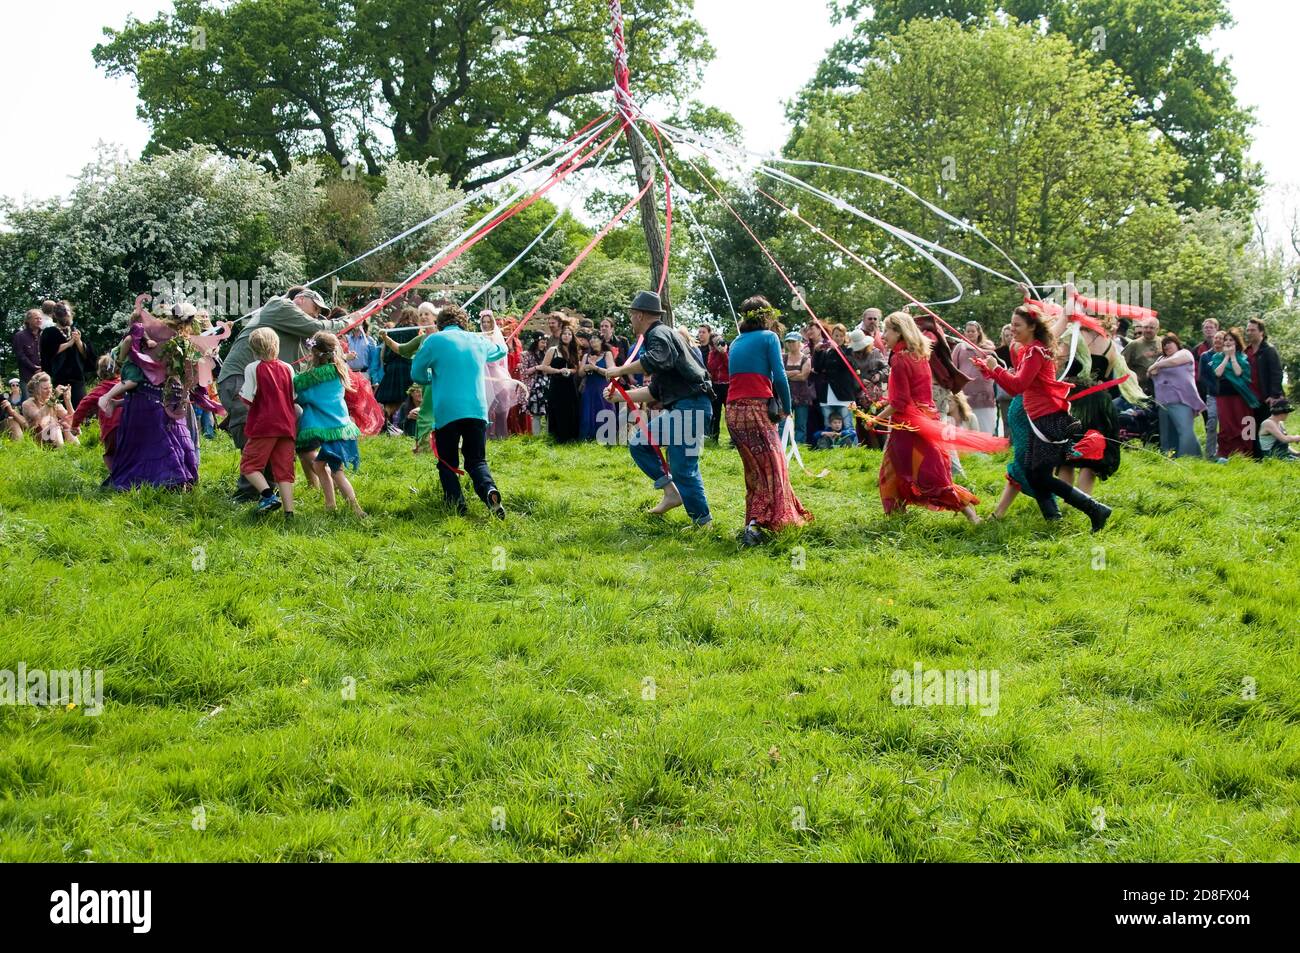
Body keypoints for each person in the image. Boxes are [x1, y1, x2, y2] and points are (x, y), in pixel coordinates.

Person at [972, 304, 1113, 532]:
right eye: (1012, 324)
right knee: (1032, 473)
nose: (1012, 329)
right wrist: (991, 370)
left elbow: (1018, 385)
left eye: (1017, 325)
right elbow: (1018, 384)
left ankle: (1095, 509)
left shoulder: (1036, 351)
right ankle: (1054, 519)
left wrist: (996, 369)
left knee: (1040, 475)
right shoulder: (1031, 350)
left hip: (1049, 423)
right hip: (1040, 420)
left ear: (1032, 327)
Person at [217, 287, 352, 499]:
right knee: (255, 431)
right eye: (316, 308)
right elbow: (315, 327)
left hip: (261, 385)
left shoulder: (296, 333)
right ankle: (250, 493)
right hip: (240, 377)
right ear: (299, 299)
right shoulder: (281, 305)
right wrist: (351, 319)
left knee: (282, 426)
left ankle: (269, 492)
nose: (317, 314)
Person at [599, 290, 714, 527]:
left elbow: (657, 359)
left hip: (689, 408)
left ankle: (678, 499)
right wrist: (620, 397)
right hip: (691, 406)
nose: (631, 320)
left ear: (640, 315)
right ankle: (702, 522)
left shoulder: (658, 334)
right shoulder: (666, 335)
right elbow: (655, 392)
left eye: (632, 315)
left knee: (642, 444)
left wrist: (620, 370)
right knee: (683, 468)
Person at [876, 312, 991, 524]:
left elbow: (900, 402)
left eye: (886, 331)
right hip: (927, 418)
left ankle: (970, 516)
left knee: (904, 472)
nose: (883, 336)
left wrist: (876, 419)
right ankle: (898, 519)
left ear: (899, 332)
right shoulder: (920, 356)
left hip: (908, 425)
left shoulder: (900, 360)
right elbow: (912, 394)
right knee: (922, 471)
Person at [724, 297, 810, 545]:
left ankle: (756, 520)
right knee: (774, 467)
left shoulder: (736, 341)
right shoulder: (769, 337)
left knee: (754, 471)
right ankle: (765, 523)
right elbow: (780, 376)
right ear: (767, 316)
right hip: (755, 410)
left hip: (733, 412)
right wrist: (788, 406)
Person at [410, 305, 508, 518]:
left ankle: (457, 506)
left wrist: (432, 378)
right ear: (464, 323)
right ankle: (489, 490)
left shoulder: (434, 340)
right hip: (477, 410)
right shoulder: (478, 340)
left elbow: (416, 372)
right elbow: (501, 350)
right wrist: (496, 333)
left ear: (439, 323)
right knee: (477, 461)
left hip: (447, 411)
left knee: (447, 461)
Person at [1054, 305, 1146, 494]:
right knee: (1091, 454)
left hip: (1075, 400)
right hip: (1099, 403)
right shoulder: (1110, 344)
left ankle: (1066, 501)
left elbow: (1058, 361)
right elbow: (1108, 373)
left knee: (1066, 456)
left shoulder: (1073, 336)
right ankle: (1084, 500)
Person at [294, 332, 366, 517]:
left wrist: (299, 396)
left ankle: (356, 509)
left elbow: (307, 397)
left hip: (332, 431)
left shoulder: (315, 378)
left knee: (337, 472)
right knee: (319, 466)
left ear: (315, 353)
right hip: (341, 428)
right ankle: (330, 505)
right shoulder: (337, 372)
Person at [237, 327, 298, 516]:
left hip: (263, 426)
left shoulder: (253, 368)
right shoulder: (288, 368)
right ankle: (289, 513)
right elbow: (293, 396)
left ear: (253, 349)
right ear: (276, 345)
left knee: (249, 465)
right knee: (284, 470)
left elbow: (247, 399)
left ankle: (268, 496)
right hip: (287, 425)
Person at [1148, 332, 1205, 458]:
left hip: (1181, 400)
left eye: (1169, 343)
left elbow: (1174, 362)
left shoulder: (1184, 353)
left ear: (1176, 343)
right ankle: (1169, 457)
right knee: (1167, 433)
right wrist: (1156, 365)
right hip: (1163, 401)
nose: (1166, 346)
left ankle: (1188, 457)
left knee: (1184, 430)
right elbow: (1150, 373)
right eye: (1164, 345)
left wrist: (1156, 365)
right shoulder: (1161, 358)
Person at [1210, 328, 1258, 460]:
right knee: (1226, 425)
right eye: (1226, 340)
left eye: (1231, 340)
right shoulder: (1217, 357)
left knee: (1242, 424)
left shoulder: (1242, 357)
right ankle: (1225, 453)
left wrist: (1232, 357)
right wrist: (1226, 357)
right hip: (1224, 396)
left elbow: (1238, 373)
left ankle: (1244, 453)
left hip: (1240, 396)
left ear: (1237, 342)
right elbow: (1218, 373)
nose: (1228, 342)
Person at [72, 355, 124, 471]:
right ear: (118, 369)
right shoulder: (126, 384)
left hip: (112, 428)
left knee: (112, 455)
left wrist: (75, 425)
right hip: (130, 424)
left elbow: (82, 406)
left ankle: (117, 479)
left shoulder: (100, 390)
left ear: (99, 372)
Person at [40, 302, 94, 408]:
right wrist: (69, 343)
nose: (67, 317)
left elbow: (86, 354)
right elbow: (49, 352)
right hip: (60, 377)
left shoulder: (77, 330)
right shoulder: (49, 332)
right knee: (61, 409)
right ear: (57, 316)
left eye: (68, 314)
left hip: (77, 376)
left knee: (80, 407)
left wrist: (78, 341)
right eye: (65, 315)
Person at [375, 306, 422, 423]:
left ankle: (387, 424)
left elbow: (384, 355)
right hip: (407, 367)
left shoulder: (393, 330)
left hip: (392, 367)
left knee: (390, 400)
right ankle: (403, 424)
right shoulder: (415, 330)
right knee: (406, 398)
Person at [1244, 317, 1284, 457]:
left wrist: (1274, 395)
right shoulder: (1246, 351)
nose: (1249, 333)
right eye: (1248, 330)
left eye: (1253, 330)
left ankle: (1275, 455)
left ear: (1261, 332)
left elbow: (1276, 373)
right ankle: (1254, 456)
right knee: (1250, 428)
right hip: (1249, 397)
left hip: (1266, 398)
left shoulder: (1269, 350)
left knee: (1268, 428)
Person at [952, 322, 998, 434]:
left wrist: (986, 352)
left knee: (984, 428)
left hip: (983, 395)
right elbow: (953, 367)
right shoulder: (959, 347)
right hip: (965, 393)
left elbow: (995, 365)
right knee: (968, 428)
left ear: (978, 333)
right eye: (968, 331)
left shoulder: (986, 349)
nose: (970, 334)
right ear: (964, 333)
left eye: (973, 331)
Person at [540, 326, 581, 443]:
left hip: (570, 385)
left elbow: (576, 369)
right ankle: (556, 437)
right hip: (556, 384)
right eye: (564, 334)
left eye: (569, 334)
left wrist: (570, 371)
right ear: (561, 336)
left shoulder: (574, 351)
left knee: (571, 409)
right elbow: (544, 367)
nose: (566, 336)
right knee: (557, 410)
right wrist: (558, 371)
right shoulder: (553, 350)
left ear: (572, 337)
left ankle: (571, 438)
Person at [479, 310, 514, 439]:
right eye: (484, 322)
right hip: (483, 374)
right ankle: (487, 434)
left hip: (495, 373)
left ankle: (501, 433)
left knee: (501, 404)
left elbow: (501, 355)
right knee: (486, 404)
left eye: (489, 321)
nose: (486, 324)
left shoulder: (496, 336)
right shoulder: (479, 337)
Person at [20, 372, 76, 448]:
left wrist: (68, 400)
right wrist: (53, 399)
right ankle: (62, 453)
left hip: (55, 436)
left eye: (50, 387)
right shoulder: (27, 404)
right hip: (38, 440)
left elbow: (71, 419)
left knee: (66, 426)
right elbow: (38, 417)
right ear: (36, 390)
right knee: (54, 426)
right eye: (45, 388)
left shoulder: (53, 402)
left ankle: (75, 452)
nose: (49, 391)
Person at [578, 332, 616, 443]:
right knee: (588, 411)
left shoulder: (607, 354)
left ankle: (607, 437)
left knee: (605, 409)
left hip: (603, 387)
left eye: (595, 338)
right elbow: (580, 374)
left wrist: (595, 368)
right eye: (591, 339)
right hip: (589, 388)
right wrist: (586, 368)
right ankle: (588, 437)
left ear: (601, 341)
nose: (593, 341)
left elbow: (611, 372)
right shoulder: (586, 355)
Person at [783, 331, 815, 447]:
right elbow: (779, 374)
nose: (791, 344)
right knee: (783, 421)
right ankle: (783, 444)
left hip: (802, 395)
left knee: (800, 424)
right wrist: (794, 371)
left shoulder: (806, 359)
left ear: (799, 342)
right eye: (788, 342)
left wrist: (787, 374)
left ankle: (799, 445)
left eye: (793, 341)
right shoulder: (783, 357)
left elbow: (803, 377)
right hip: (786, 394)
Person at [1197, 330, 1224, 460]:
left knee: (1226, 424)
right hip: (1212, 395)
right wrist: (1213, 387)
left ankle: (1225, 450)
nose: (1218, 340)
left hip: (1227, 396)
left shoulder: (1228, 355)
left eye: (1221, 338)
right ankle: (1209, 453)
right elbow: (1202, 376)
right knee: (1212, 422)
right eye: (1216, 338)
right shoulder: (1205, 356)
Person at [1121, 317, 1161, 400]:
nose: (1148, 330)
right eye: (1146, 327)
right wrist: (1131, 376)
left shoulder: (1163, 343)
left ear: (1158, 329)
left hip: (1159, 389)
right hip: (1138, 389)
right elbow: (1120, 364)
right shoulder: (1134, 345)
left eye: (1151, 328)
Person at [520, 334, 549, 436]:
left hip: (547, 385)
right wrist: (537, 368)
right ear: (536, 341)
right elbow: (524, 372)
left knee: (549, 413)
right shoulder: (526, 354)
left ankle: (548, 437)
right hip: (534, 387)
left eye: (546, 343)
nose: (544, 345)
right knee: (536, 413)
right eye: (542, 342)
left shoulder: (547, 354)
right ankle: (536, 438)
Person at [12, 309, 43, 396]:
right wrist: (34, 368)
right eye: (36, 318)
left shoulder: (44, 335)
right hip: (27, 377)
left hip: (43, 377)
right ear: (28, 320)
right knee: (28, 404)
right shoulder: (20, 336)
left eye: (40, 318)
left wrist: (44, 367)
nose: (39, 320)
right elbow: (20, 355)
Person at [706, 332, 730, 440]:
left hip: (727, 385)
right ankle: (714, 437)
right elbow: (711, 367)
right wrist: (716, 352)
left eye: (719, 341)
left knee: (729, 413)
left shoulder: (728, 351)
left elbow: (729, 366)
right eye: (715, 343)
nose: (719, 344)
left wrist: (723, 353)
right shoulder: (712, 353)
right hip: (716, 385)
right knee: (715, 412)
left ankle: (733, 439)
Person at [994, 324, 1015, 437]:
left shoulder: (1022, 349)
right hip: (1005, 391)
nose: (1009, 338)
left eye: (1011, 335)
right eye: (1006, 335)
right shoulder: (998, 352)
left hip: (1020, 390)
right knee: (1006, 420)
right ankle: (1008, 446)